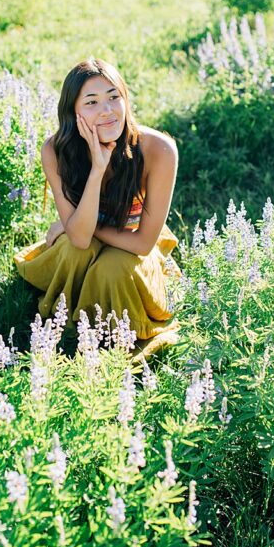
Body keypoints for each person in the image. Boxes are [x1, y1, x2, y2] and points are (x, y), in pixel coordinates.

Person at [14, 58, 180, 347]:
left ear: (125, 100)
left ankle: (118, 335)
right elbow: (79, 240)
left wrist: (73, 225)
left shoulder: (159, 150)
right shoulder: (56, 151)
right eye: (91, 102)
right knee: (77, 252)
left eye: (113, 97)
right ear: (73, 112)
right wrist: (97, 170)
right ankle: (76, 323)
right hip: (84, 242)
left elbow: (142, 244)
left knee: (112, 268)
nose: (107, 111)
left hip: (134, 242)